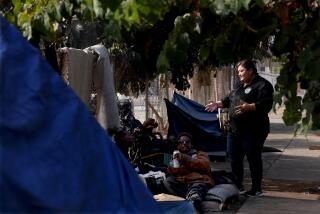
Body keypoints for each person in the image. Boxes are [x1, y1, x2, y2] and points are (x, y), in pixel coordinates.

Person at [205, 59, 274, 197]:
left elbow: (266, 104)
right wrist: (217, 104)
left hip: (253, 130)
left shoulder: (263, 85)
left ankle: (256, 188)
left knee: (253, 158)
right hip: (235, 130)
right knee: (234, 158)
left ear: (251, 70)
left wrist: (249, 107)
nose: (239, 74)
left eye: (242, 71)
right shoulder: (239, 85)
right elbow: (229, 99)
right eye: (238, 72)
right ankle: (238, 185)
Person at [163, 132, 214, 210]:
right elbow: (170, 171)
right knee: (167, 182)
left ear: (191, 144)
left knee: (198, 186)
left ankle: (194, 199)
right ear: (177, 145)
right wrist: (175, 161)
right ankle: (182, 200)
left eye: (187, 142)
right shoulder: (172, 155)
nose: (184, 144)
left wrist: (186, 159)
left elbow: (205, 166)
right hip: (181, 183)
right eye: (181, 142)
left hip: (197, 180)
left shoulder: (200, 154)